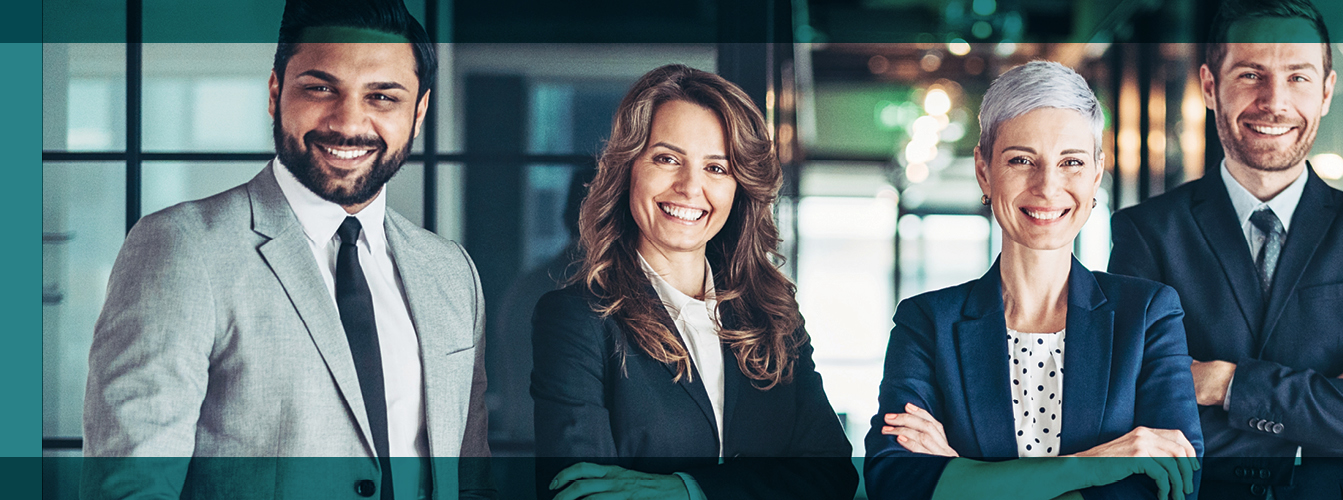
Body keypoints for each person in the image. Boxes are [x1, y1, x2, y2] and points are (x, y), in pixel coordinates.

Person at [82, 1, 491, 499]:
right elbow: (132, 486)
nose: (348, 122)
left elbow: (470, 481)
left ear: (418, 112)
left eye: (382, 96)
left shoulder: (451, 272)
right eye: (320, 88)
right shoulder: (182, 247)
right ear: (275, 93)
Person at [1108, 0, 1343, 497]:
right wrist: (1333, 411)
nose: (1274, 101)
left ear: (1326, 92)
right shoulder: (1146, 232)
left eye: (1298, 77)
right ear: (1209, 87)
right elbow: (1132, 405)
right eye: (1250, 74)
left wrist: (1225, 384)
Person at [864, 61, 1203, 500]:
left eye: (1071, 162)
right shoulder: (928, 322)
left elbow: (1176, 485)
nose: (1047, 186)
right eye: (1022, 160)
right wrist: (1094, 465)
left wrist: (963, 478)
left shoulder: (1149, 314)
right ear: (984, 169)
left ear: (1096, 174)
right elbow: (896, 484)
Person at [530, 64, 857, 500]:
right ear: (629, 168)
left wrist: (686, 490)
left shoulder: (773, 314)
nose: (690, 187)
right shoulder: (577, 318)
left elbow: (831, 476)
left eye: (717, 168)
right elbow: (581, 493)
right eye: (667, 159)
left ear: (740, 188)